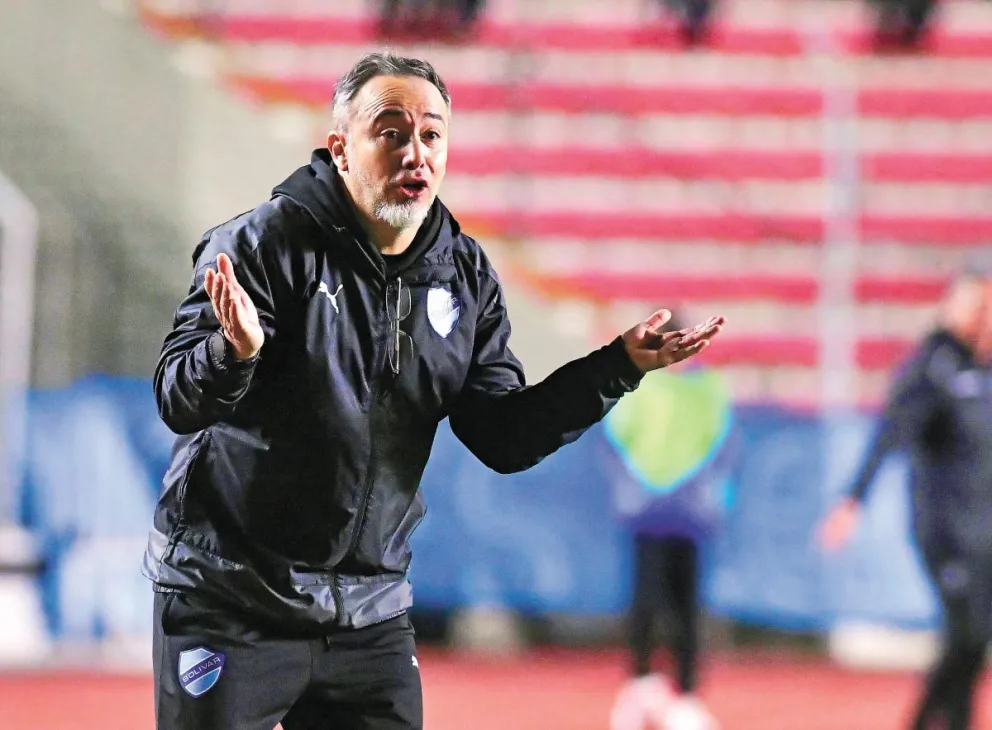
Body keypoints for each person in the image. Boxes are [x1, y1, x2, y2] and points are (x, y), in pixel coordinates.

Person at [142, 51, 726, 730]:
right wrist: (231, 352)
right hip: (232, 599)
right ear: (341, 148)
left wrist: (617, 365)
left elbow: (505, 436)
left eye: (432, 133)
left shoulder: (466, 276)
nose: (415, 150)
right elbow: (178, 399)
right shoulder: (261, 245)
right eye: (391, 131)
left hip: (367, 615)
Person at [819, 265, 992, 730]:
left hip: (985, 534)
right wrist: (853, 500)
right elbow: (890, 433)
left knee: (975, 641)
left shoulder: (985, 369)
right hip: (945, 528)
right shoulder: (931, 366)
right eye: (978, 305)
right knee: (966, 632)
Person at [605, 314, 735, 730]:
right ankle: (640, 689)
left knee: (687, 608)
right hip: (649, 515)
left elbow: (722, 447)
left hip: (690, 518)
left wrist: (697, 491)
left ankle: (686, 696)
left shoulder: (709, 389)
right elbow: (618, 439)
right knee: (645, 605)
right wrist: (642, 487)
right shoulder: (638, 386)